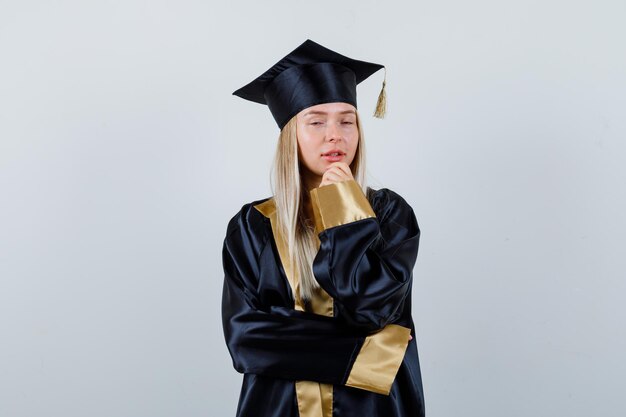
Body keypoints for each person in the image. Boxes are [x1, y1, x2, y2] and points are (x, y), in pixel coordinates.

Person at [222, 39, 425, 417]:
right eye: (316, 121)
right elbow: (246, 340)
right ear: (290, 136)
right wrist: (371, 355)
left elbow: (370, 310)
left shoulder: (390, 214)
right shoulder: (253, 226)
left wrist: (343, 206)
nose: (335, 134)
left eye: (347, 121)